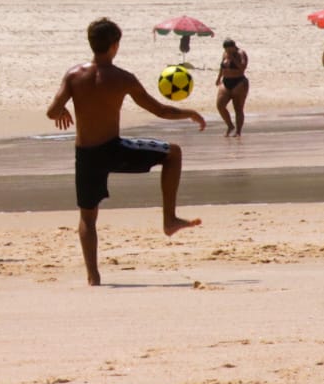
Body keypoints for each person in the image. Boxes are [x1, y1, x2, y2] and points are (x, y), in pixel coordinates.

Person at [46, 17, 206, 286]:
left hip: (86, 154)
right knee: (173, 153)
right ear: (114, 46)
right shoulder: (122, 78)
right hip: (114, 149)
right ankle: (169, 219)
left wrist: (61, 111)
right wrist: (189, 113)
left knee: (88, 217)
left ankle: (93, 277)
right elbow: (160, 110)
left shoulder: (74, 75)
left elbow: (51, 111)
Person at [215, 38, 249, 137]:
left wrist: (233, 58)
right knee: (220, 105)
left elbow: (243, 67)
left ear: (234, 47)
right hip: (226, 81)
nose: (228, 51)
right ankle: (230, 125)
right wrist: (218, 78)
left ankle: (238, 131)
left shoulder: (241, 53)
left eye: (230, 49)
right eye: (226, 50)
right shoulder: (225, 53)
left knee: (238, 108)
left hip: (239, 82)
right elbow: (222, 67)